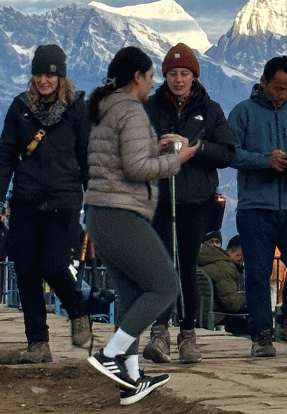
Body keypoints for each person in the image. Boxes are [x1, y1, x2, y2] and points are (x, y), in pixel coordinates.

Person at [82, 45, 199, 404]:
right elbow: (135, 170)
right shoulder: (131, 111)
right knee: (165, 286)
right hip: (121, 213)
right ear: (137, 77)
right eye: (150, 77)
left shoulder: (106, 109)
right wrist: (178, 159)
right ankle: (110, 355)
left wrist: (157, 154)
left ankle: (131, 379)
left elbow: (124, 160)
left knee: (132, 297)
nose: (154, 84)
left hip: (99, 214)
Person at [0, 44, 95, 365]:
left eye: (50, 73)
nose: (43, 80)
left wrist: (94, 198)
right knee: (26, 272)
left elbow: (88, 157)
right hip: (25, 201)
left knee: (53, 266)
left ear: (60, 75)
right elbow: (5, 156)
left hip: (64, 201)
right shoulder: (19, 108)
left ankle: (78, 311)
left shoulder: (78, 109)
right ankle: (38, 342)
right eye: (38, 73)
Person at [140, 42, 235, 364]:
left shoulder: (210, 110)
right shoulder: (150, 108)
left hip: (196, 203)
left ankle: (188, 334)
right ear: (164, 76)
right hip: (159, 201)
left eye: (184, 73)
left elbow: (227, 153)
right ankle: (160, 333)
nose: (178, 79)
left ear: (194, 76)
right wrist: (157, 149)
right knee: (162, 267)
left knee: (187, 268)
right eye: (172, 73)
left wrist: (193, 149)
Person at [227, 55, 287, 356]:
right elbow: (230, 154)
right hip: (256, 207)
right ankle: (261, 334)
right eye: (279, 88)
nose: (284, 95)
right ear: (264, 82)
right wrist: (265, 161)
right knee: (257, 271)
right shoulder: (243, 113)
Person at [199, 234, 248, 335]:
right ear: (239, 254)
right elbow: (232, 304)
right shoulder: (225, 268)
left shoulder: (201, 262)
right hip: (215, 315)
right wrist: (249, 297)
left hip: (197, 314)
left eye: (217, 242)